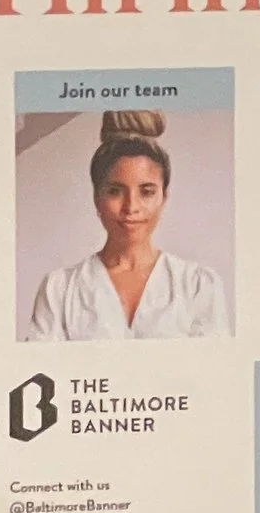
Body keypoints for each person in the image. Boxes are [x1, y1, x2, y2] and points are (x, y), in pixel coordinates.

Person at [26, 111, 229, 341]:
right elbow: (43, 372)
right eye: (115, 191)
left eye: (146, 192)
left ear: (164, 197)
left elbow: (214, 373)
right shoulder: (59, 290)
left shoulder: (198, 286)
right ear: (97, 198)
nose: (131, 207)